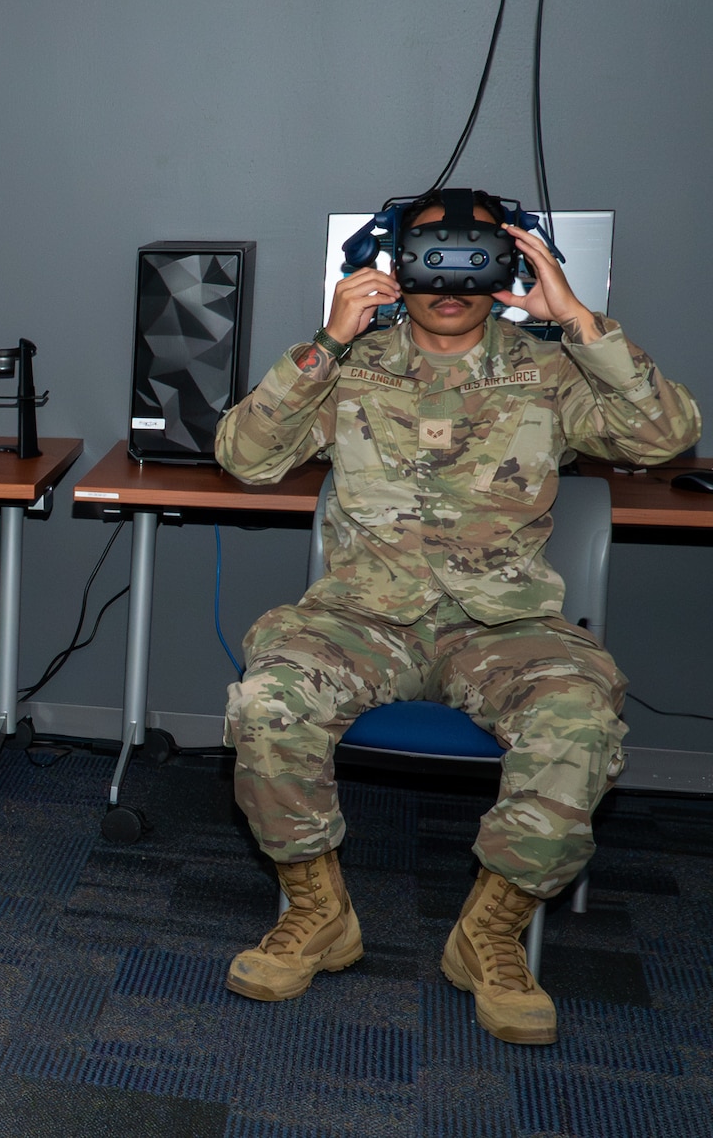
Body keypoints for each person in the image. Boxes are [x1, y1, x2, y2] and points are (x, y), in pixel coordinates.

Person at [213, 193, 700, 1044]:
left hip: (503, 626)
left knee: (578, 715)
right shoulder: (352, 366)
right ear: (397, 264)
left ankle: (490, 936)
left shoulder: (549, 371)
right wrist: (326, 342)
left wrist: (580, 318)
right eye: (432, 256)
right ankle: (319, 913)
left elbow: (666, 438)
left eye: (475, 257)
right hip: (365, 616)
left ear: (508, 266)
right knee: (267, 702)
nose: (451, 280)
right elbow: (245, 456)